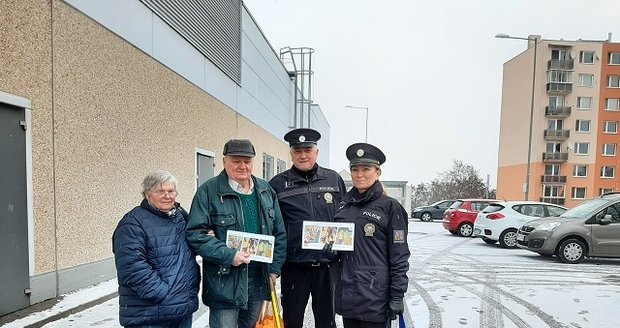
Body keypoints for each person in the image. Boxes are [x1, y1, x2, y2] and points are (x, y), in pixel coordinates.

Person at [186, 139, 287, 328]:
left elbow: (279, 233)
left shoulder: (266, 191)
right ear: (225, 161)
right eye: (236, 161)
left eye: (247, 161)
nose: (242, 166)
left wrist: (274, 269)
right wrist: (229, 255)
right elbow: (195, 234)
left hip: (259, 281)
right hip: (225, 282)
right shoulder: (208, 191)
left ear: (253, 163)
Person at [269, 128, 347, 328]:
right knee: (292, 321)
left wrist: (340, 246)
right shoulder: (277, 184)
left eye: (308, 150)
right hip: (294, 266)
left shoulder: (333, 179)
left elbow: (345, 217)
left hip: (327, 266)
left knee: (327, 322)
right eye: (298, 151)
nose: (303, 155)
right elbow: (269, 225)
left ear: (316, 152)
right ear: (291, 153)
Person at [333, 143, 410, 328]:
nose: (359, 175)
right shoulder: (344, 206)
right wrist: (330, 247)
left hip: (375, 296)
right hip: (348, 293)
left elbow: (399, 256)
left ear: (378, 172)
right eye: (355, 169)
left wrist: (397, 294)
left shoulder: (391, 207)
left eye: (366, 169)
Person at [112, 170, 200, 328]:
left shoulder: (180, 216)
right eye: (161, 191)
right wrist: (162, 294)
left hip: (182, 310)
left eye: (171, 191)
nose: (167, 196)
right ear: (147, 194)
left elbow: (193, 244)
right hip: (151, 315)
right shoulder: (132, 223)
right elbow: (132, 267)